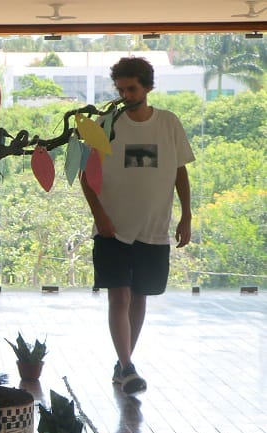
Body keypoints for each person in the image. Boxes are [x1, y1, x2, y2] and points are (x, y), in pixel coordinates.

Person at [81, 57, 193, 395]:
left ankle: (124, 362)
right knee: (119, 295)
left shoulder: (168, 123)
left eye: (131, 88)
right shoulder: (106, 124)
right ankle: (128, 366)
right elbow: (87, 176)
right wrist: (99, 216)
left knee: (140, 296)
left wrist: (187, 215)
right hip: (112, 229)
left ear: (147, 87)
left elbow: (180, 171)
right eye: (121, 89)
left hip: (154, 228)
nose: (126, 95)